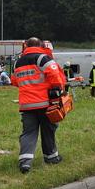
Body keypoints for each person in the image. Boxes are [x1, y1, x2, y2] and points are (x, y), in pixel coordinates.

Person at [13, 37, 66, 174]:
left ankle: (25, 163)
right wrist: (57, 89)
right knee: (48, 129)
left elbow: (15, 81)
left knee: (28, 133)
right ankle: (51, 157)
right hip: (45, 103)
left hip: (26, 105)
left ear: (26, 46)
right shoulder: (43, 58)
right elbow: (55, 75)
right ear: (41, 45)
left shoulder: (17, 62)